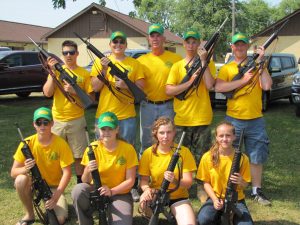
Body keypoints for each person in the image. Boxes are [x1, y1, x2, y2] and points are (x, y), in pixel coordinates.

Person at [215, 32, 272, 206]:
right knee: (229, 154)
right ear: (232, 47)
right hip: (234, 119)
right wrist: (243, 81)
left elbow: (267, 85)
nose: (239, 47)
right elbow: (219, 87)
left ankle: (256, 190)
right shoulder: (227, 68)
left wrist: (261, 63)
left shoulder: (257, 65)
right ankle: (229, 185)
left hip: (256, 119)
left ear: (247, 46)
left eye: (242, 44)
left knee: (256, 155)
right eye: (236, 44)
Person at [72, 111, 138, 225]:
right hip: (96, 189)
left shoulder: (128, 149)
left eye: (110, 129)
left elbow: (131, 181)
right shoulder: (91, 149)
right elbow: (85, 180)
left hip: (119, 192)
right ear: (98, 130)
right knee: (78, 190)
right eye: (103, 129)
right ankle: (86, 221)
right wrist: (88, 169)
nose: (106, 132)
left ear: (117, 130)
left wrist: (112, 191)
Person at [11, 107, 74, 225]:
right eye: (38, 122)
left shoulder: (61, 143)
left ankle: (55, 206)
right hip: (33, 185)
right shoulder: (27, 143)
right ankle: (29, 215)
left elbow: (67, 172)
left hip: (54, 188)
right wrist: (26, 168)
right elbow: (13, 172)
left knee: (59, 220)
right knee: (20, 180)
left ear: (52, 123)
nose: (42, 126)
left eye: (46, 122)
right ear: (34, 124)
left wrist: (56, 196)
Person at [43, 40, 93, 184]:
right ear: (62, 55)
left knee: (78, 156)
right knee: (55, 155)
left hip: (77, 120)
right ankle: (54, 186)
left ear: (77, 54)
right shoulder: (56, 72)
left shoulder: (84, 73)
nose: (69, 55)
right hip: (57, 121)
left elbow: (90, 99)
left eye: (72, 52)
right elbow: (47, 93)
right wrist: (52, 73)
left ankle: (80, 185)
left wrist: (74, 91)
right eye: (65, 53)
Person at [166, 29, 216, 165]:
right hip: (182, 120)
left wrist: (204, 61)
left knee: (203, 159)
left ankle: (202, 186)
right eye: (188, 42)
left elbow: (210, 85)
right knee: (180, 160)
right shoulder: (177, 66)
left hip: (202, 119)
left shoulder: (208, 63)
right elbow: (169, 90)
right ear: (183, 44)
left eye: (194, 42)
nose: (191, 45)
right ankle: (183, 186)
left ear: (199, 44)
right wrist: (190, 82)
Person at [90, 31, 145, 146]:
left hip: (127, 117)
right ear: (110, 44)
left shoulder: (135, 64)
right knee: (103, 150)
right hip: (104, 115)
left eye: (121, 42)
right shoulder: (99, 62)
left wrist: (126, 86)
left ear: (126, 45)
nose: (118, 44)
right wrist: (104, 70)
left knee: (127, 150)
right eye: (115, 41)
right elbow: (95, 88)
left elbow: (140, 90)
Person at [139, 117, 197, 225]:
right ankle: (152, 218)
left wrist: (174, 181)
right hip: (156, 194)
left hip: (178, 196)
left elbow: (188, 183)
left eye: (169, 132)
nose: (165, 136)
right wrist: (147, 190)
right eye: (161, 133)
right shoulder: (148, 153)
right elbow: (143, 181)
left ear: (174, 132)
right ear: (155, 133)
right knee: (144, 201)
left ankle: (175, 214)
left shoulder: (184, 152)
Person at [137, 23, 182, 154]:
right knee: (146, 141)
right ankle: (144, 173)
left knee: (168, 139)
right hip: (147, 105)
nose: (155, 39)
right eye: (152, 36)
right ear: (148, 39)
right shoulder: (141, 61)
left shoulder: (176, 59)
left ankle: (169, 171)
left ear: (164, 39)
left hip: (168, 105)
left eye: (158, 36)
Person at [197, 121, 253, 225]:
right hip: (216, 197)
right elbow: (205, 182)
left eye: (228, 135)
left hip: (237, 200)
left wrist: (241, 181)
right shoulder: (207, 157)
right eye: (221, 136)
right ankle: (219, 216)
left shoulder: (243, 158)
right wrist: (214, 200)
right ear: (216, 137)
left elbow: (246, 185)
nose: (224, 139)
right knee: (203, 220)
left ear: (234, 137)